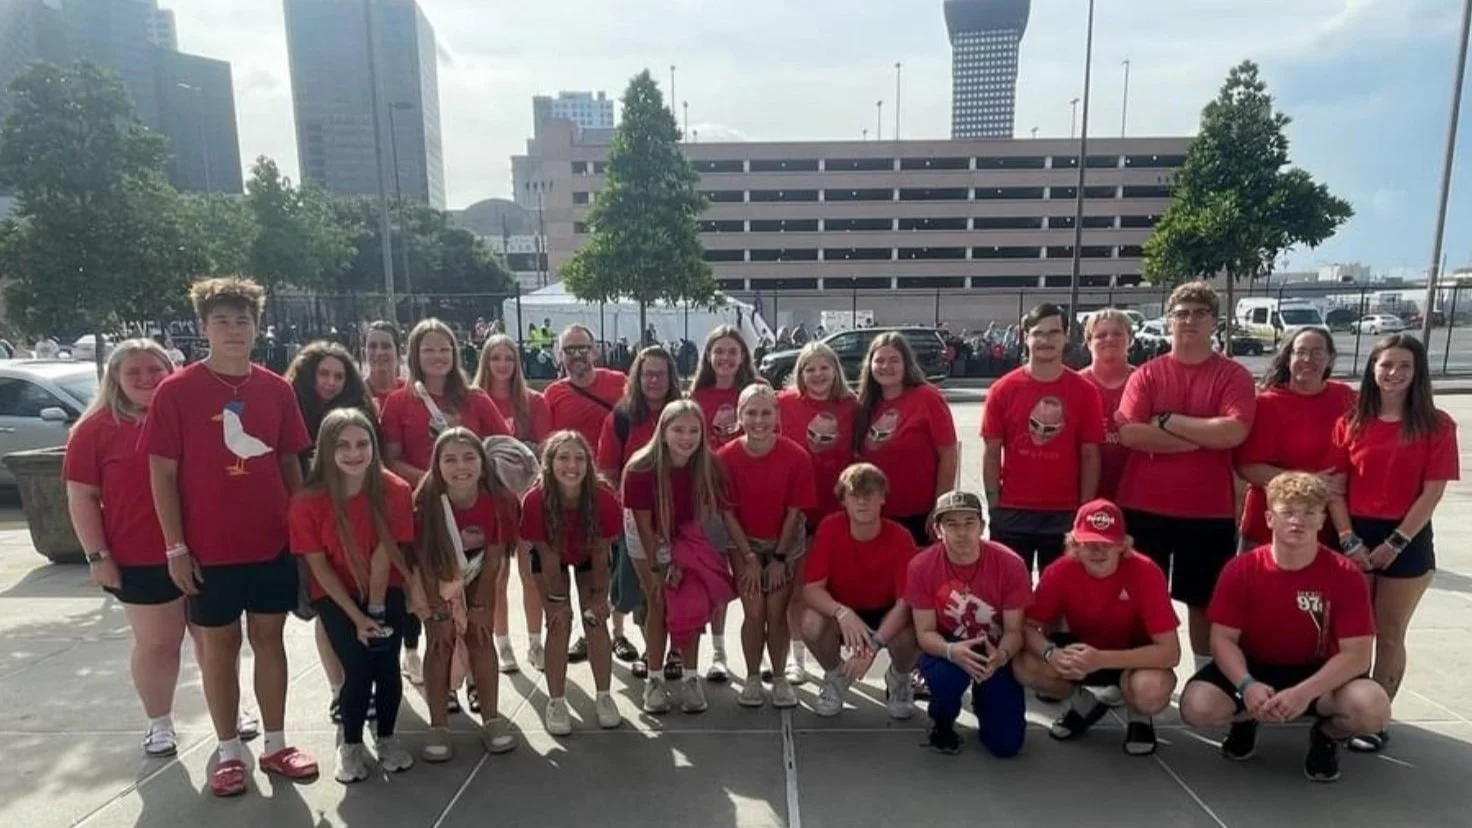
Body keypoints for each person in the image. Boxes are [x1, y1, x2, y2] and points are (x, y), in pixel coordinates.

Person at [144, 277, 316, 797]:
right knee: (219, 647)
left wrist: (305, 535)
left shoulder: (276, 389)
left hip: (271, 542)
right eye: (222, 320)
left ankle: (276, 744)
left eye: (243, 320)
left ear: (257, 327)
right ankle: (228, 752)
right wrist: (175, 546)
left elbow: (290, 462)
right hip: (207, 550)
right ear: (204, 327)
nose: (234, 329)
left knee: (270, 640)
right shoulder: (176, 391)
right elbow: (162, 474)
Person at [1180, 472, 1389, 783]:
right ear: (1269, 518)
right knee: (1197, 707)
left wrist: (1304, 693)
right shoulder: (1241, 569)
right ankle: (1245, 719)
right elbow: (1222, 639)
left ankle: (1326, 735)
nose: (1297, 521)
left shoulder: (1345, 574)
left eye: (1309, 513)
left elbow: (1357, 654)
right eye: (1288, 512)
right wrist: (1246, 685)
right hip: (1255, 666)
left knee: (1373, 709)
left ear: (1322, 520)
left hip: (1318, 672)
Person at [66, 339, 209, 757]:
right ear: (115, 378)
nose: (146, 378)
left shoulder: (192, 418)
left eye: (155, 369)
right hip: (140, 556)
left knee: (214, 639)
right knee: (158, 644)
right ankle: (159, 722)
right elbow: (81, 497)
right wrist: (98, 556)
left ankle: (230, 711)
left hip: (207, 550)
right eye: (134, 372)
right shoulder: (94, 430)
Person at [1328, 334, 1457, 753]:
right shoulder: (1351, 421)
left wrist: (1396, 542)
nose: (1394, 373)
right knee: (1353, 633)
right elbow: (1335, 488)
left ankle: (1376, 718)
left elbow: (1432, 492)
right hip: (1354, 535)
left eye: (1404, 366)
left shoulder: (1437, 425)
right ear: (1372, 368)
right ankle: (1349, 707)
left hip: (1407, 537)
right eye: (1386, 365)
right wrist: (1348, 539)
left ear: (1417, 372)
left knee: (1388, 632)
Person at [1116, 281, 1255, 665]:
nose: (1190, 320)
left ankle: (1204, 678)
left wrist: (1167, 421)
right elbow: (1130, 433)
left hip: (1207, 511)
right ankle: (1140, 678)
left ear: (1215, 322)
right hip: (1143, 507)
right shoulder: (1147, 374)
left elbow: (1233, 431)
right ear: (1168, 321)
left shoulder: (1233, 376)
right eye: (1182, 313)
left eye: (1200, 313)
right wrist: (1202, 438)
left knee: (1205, 601)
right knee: (1140, 599)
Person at [288, 409, 417, 783]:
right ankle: (351, 744)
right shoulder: (307, 500)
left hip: (384, 586)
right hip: (335, 592)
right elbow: (318, 565)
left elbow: (385, 554)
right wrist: (356, 617)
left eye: (362, 444)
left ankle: (388, 739)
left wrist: (374, 611)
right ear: (326, 450)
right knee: (357, 670)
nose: (354, 453)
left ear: (374, 447)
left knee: (386, 665)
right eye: (342, 445)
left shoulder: (395, 490)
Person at [1013, 499, 1180, 755]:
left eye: (1107, 543)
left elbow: (1171, 652)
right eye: (1089, 543)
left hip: (1134, 656)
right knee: (1024, 665)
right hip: (1081, 651)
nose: (1098, 551)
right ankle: (1084, 704)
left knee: (1151, 689)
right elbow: (1025, 626)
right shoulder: (1059, 571)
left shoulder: (1146, 571)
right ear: (1074, 544)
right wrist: (1050, 653)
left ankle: (1139, 716)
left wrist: (1101, 659)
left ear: (1122, 545)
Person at [284, 340, 381, 722]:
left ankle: (366, 684)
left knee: (363, 604)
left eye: (339, 376)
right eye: (323, 374)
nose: (330, 382)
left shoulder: (360, 414)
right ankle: (340, 690)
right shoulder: (292, 413)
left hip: (358, 521)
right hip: (312, 524)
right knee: (329, 610)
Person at [623, 400, 738, 715]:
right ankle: (654, 679)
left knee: (691, 599)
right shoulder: (640, 467)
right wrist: (660, 566)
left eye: (693, 430)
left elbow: (704, 516)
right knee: (658, 600)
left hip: (687, 534)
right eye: (678, 430)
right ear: (663, 431)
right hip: (648, 535)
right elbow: (644, 525)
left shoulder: (708, 465)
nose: (686, 437)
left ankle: (690, 678)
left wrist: (684, 560)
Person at [412, 428, 519, 760]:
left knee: (481, 636)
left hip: (478, 568)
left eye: (469, 457)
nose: (461, 466)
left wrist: (482, 605)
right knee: (439, 640)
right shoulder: (426, 501)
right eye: (451, 459)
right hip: (436, 572)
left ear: (483, 462)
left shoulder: (500, 500)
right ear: (437, 464)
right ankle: (438, 725)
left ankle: (491, 719)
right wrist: (437, 610)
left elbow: (496, 557)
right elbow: (423, 560)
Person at [981, 303, 1104, 576]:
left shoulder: (1085, 392)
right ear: (1026, 337)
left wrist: (1083, 509)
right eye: (1038, 333)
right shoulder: (1002, 390)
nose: (1045, 340)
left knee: (1061, 595)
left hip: (1065, 513)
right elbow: (992, 451)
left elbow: (1090, 454)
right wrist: (994, 505)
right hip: (1012, 512)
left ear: (1066, 337)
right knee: (1010, 594)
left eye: (1053, 333)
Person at [907, 491, 1030, 757]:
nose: (962, 532)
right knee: (946, 679)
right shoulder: (921, 566)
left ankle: (984, 700)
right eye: (951, 524)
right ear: (938, 529)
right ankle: (941, 721)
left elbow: (1014, 631)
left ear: (982, 526)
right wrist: (951, 651)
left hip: (995, 646)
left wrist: (1002, 656)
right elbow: (925, 632)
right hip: (948, 643)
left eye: (969, 522)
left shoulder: (1011, 564)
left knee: (1006, 746)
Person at [718, 384, 816, 708]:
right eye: (751, 413)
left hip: (783, 542)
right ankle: (751, 677)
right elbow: (727, 513)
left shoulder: (796, 456)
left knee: (776, 612)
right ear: (739, 415)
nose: (758, 420)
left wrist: (779, 558)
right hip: (743, 541)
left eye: (765, 412)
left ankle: (779, 677)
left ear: (776, 415)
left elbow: (794, 512)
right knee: (753, 610)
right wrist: (748, 557)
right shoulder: (725, 457)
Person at [520, 430, 624, 734]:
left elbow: (602, 552)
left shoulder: (603, 497)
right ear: (549, 463)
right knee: (559, 623)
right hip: (551, 556)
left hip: (590, 554)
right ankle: (556, 701)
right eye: (563, 457)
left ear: (589, 464)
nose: (572, 465)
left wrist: (599, 597)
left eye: (579, 458)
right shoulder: (535, 500)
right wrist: (556, 602)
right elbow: (547, 556)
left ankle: (604, 696)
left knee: (595, 621)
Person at [801, 463, 920, 719]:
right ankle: (836, 675)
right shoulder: (830, 527)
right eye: (855, 495)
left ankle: (899, 678)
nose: (863, 502)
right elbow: (811, 590)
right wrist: (841, 612)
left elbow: (905, 603)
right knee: (810, 623)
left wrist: (873, 646)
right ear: (843, 500)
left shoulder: (901, 537)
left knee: (913, 631)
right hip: (843, 609)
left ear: (883, 498)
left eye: (870, 494)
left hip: (886, 611)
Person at [597, 346, 683, 680]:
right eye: (648, 374)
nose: (654, 380)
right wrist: (627, 515)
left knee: (679, 589)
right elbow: (608, 471)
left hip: (680, 520)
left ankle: (676, 652)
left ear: (671, 377)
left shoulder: (682, 414)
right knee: (649, 593)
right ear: (637, 376)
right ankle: (653, 651)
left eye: (660, 374)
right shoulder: (622, 418)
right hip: (636, 520)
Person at [777, 342, 859, 684]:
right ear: (800, 374)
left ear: (835, 370)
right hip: (796, 513)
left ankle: (838, 657)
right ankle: (796, 657)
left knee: (836, 589)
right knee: (796, 589)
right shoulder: (784, 404)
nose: (817, 374)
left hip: (837, 512)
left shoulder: (852, 406)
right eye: (809, 368)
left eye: (824, 367)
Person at [475, 333, 554, 674]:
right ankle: (503, 643)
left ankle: (535, 643)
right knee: (495, 575)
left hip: (525, 498)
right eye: (496, 358)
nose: (503, 364)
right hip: (488, 500)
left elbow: (544, 448)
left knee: (530, 572)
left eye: (509, 358)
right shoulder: (474, 399)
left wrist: (514, 451)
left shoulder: (533, 401)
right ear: (485, 362)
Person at [1235, 327, 1356, 550]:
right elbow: (1248, 468)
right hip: (1272, 527)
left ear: (1330, 358)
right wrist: (1309, 482)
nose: (1308, 359)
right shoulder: (1267, 404)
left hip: (1330, 524)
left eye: (1317, 352)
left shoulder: (1345, 396)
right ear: (1288, 357)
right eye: (1301, 352)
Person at [689, 326, 759, 681]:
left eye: (733, 351)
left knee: (752, 584)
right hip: (710, 505)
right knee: (716, 580)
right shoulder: (696, 396)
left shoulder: (757, 392)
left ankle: (762, 653)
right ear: (708, 356)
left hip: (753, 501)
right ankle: (718, 652)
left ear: (743, 356)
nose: (726, 358)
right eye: (719, 351)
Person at [855, 332, 959, 546]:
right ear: (870, 365)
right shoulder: (866, 404)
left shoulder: (927, 398)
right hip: (877, 514)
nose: (886, 366)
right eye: (880, 360)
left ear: (906, 364)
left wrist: (940, 506)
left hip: (919, 515)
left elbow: (948, 454)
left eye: (894, 360)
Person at [380, 318, 509, 487]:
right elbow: (391, 461)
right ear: (415, 355)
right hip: (424, 497)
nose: (438, 356)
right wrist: (435, 481)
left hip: (474, 494)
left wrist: (471, 477)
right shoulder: (397, 403)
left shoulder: (477, 398)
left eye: (444, 350)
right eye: (428, 350)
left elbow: (508, 450)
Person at [1078, 310, 1135, 500]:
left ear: (1130, 340)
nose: (1109, 339)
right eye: (1101, 335)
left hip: (1136, 493)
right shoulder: (1075, 385)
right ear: (1088, 342)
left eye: (1117, 333)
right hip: (1083, 492)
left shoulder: (1145, 382)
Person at [542, 324, 626, 450]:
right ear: (560, 355)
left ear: (594, 352)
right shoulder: (552, 394)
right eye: (569, 349)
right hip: (574, 462)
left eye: (583, 348)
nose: (576, 355)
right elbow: (547, 444)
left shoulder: (620, 382)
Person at [363, 321, 407, 411]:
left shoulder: (411, 392)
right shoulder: (355, 393)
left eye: (386, 346)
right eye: (372, 346)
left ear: (399, 352)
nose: (379, 352)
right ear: (363, 354)